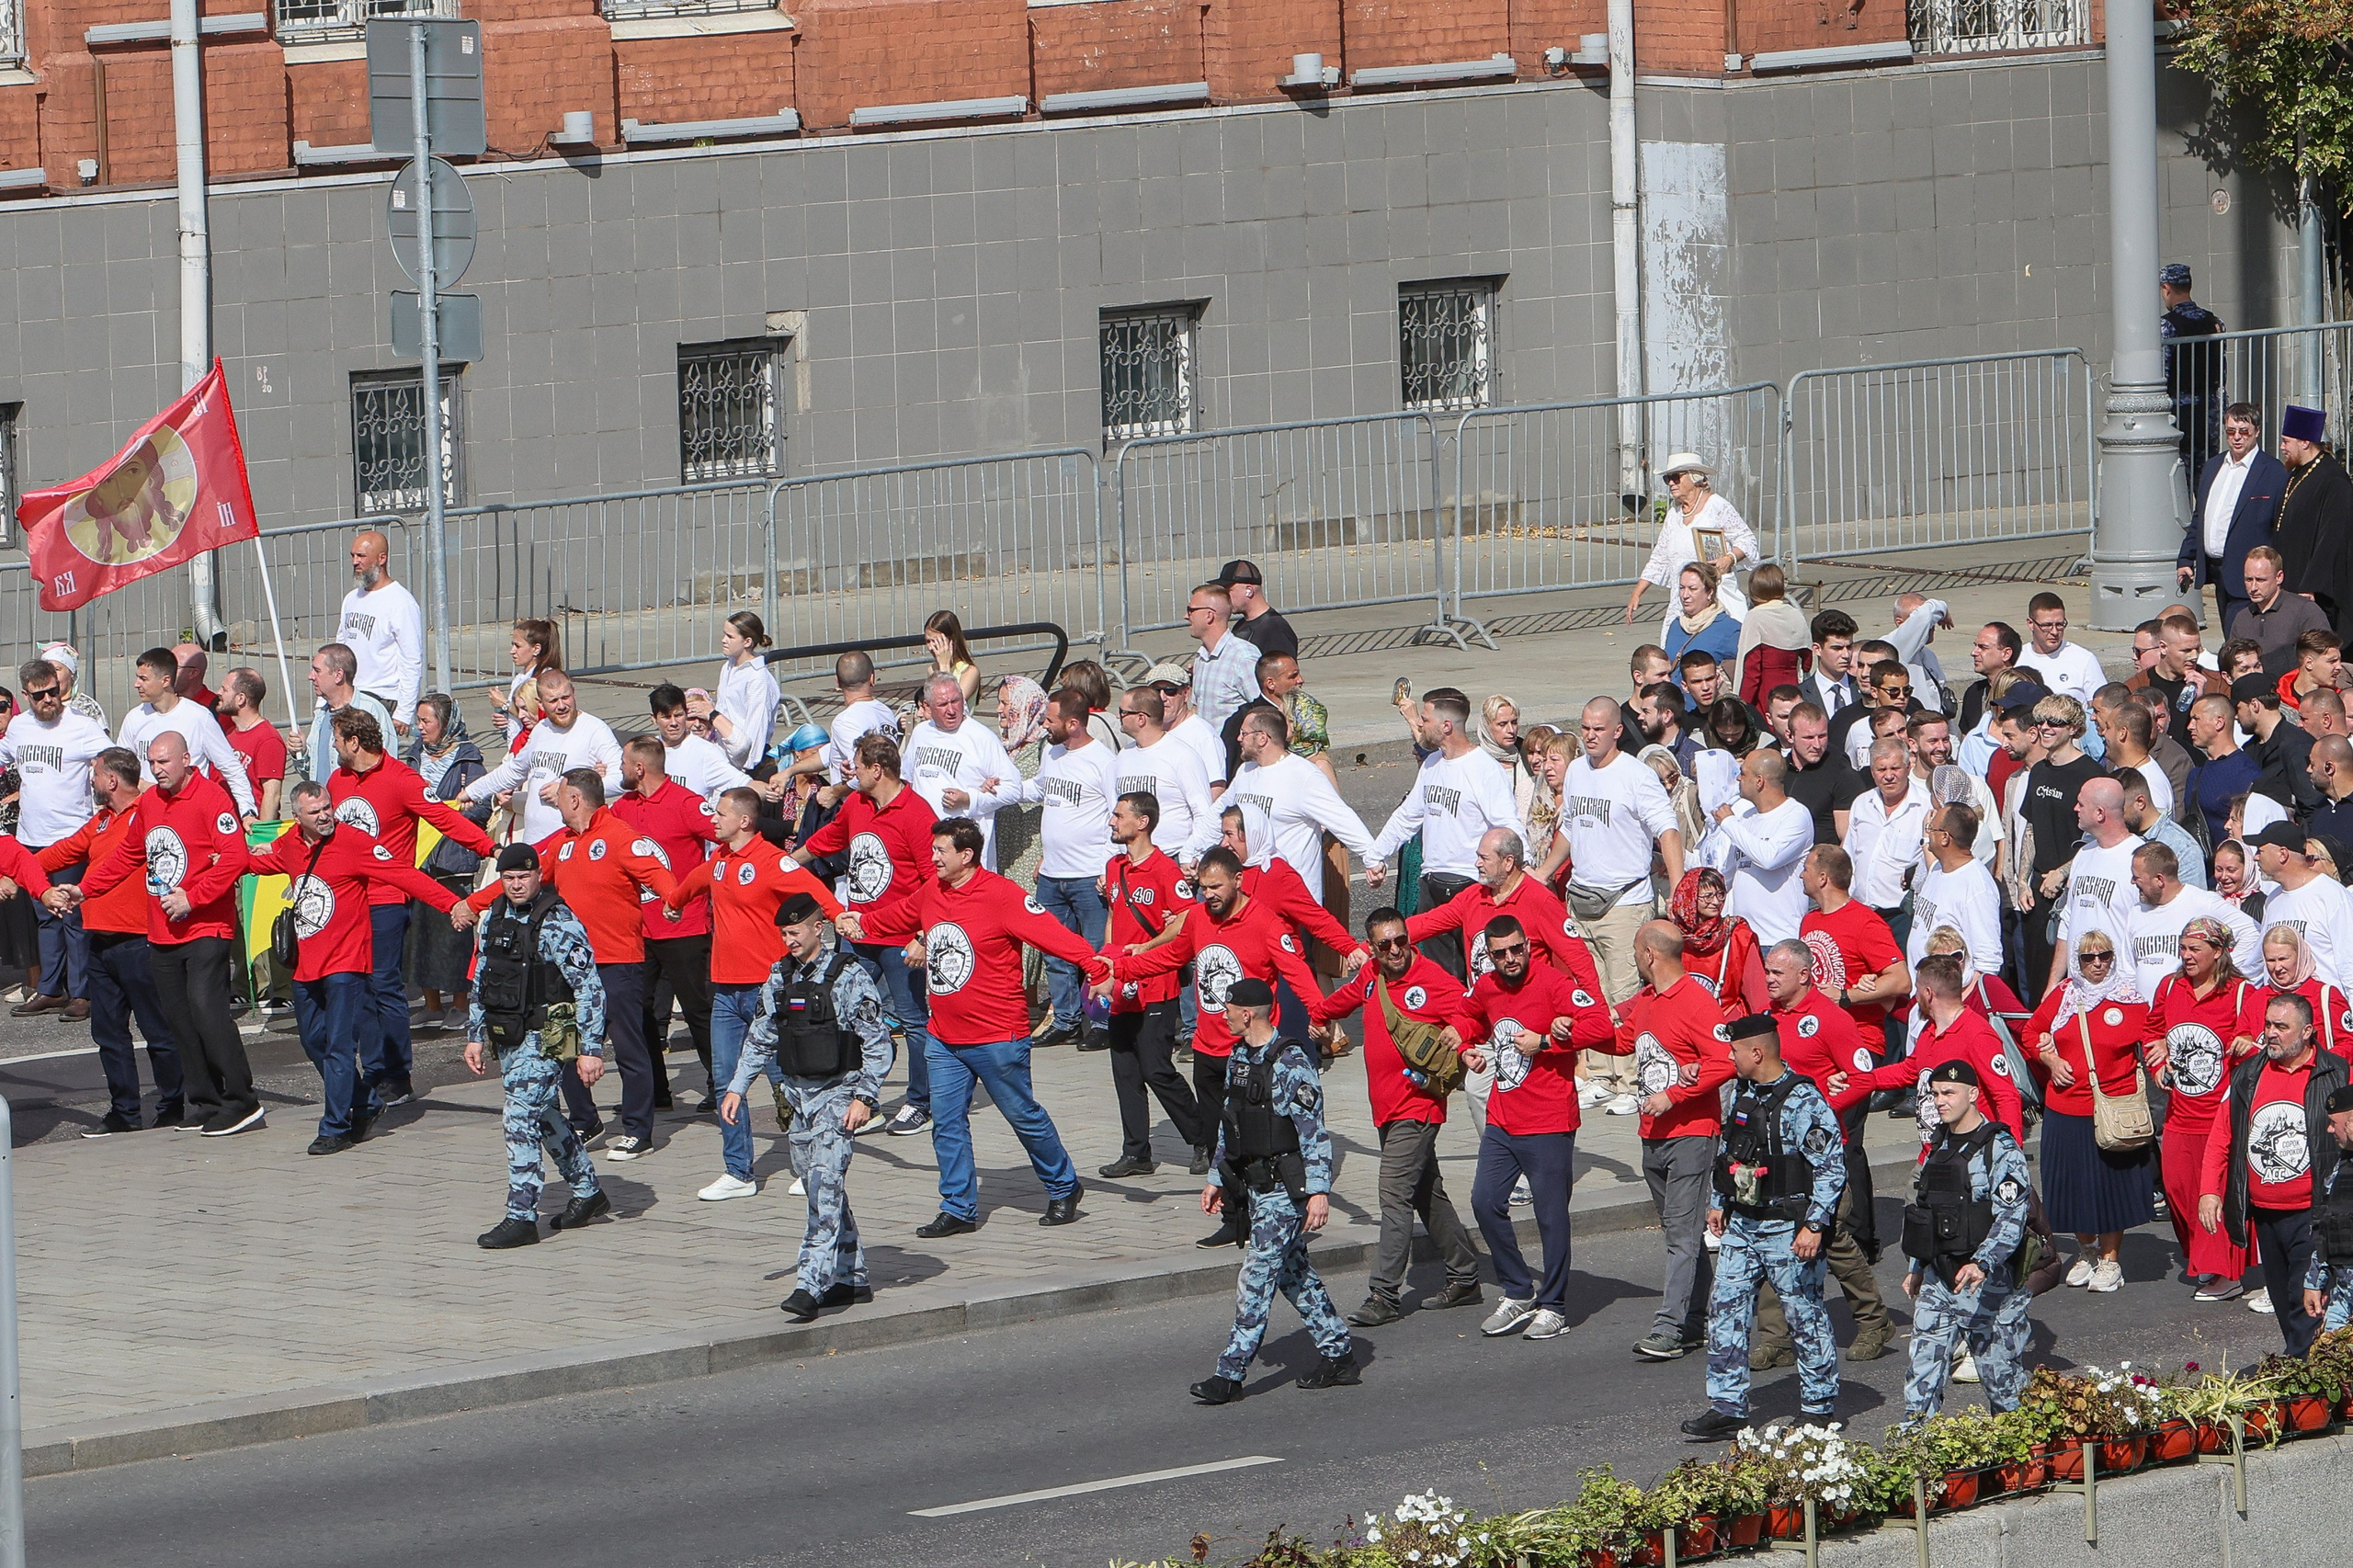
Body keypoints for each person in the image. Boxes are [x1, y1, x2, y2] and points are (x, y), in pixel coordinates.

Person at [851, 818, 1105, 1234]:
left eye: (940, 852)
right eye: (933, 850)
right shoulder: (932, 891)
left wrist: (1097, 966)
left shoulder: (1003, 896)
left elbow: (1054, 937)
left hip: (997, 1036)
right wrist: (856, 921)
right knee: (948, 1124)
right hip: (944, 1036)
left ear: (966, 855)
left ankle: (1063, 1186)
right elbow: (896, 916)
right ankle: (958, 1207)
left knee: (1022, 1115)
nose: (932, 857)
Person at [463, 769, 676, 1158]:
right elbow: (521, 878)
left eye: (559, 796)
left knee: (628, 1046)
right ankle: (585, 1119)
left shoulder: (619, 836)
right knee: (563, 1041)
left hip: (617, 961)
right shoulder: (562, 844)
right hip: (569, 965)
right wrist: (472, 905)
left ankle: (638, 1129)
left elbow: (657, 874)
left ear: (576, 799)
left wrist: (672, 901)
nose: (553, 802)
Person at [252, 779, 460, 1153]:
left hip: (347, 962)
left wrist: (452, 905)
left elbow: (404, 874)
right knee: (313, 1041)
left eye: (327, 807)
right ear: (296, 818)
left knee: (339, 1047)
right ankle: (363, 1101)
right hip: (307, 965)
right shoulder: (291, 845)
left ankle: (335, 1125)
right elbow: (264, 862)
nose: (325, 816)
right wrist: (224, 855)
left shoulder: (353, 842)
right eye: (314, 812)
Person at [74, 732, 260, 1135]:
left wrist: (193, 898)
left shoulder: (211, 798)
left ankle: (242, 1101)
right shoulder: (151, 802)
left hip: (206, 925)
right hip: (162, 931)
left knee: (207, 1011)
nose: (157, 770)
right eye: (153, 763)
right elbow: (128, 854)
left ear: (186, 759)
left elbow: (235, 858)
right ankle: (206, 1101)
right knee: (179, 1020)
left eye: (165, 762)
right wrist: (85, 888)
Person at [722, 892, 896, 1320]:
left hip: (839, 1096)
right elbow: (762, 1034)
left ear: (819, 927)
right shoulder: (781, 975)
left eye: (795, 932)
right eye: (783, 933)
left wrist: (864, 1098)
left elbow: (878, 1043)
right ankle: (851, 1277)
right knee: (825, 1187)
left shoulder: (849, 975)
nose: (789, 941)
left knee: (822, 1187)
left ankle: (810, 1284)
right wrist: (737, 1087)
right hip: (799, 1100)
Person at [1310, 907, 1483, 1325]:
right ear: (1372, 948)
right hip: (1385, 1108)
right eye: (1385, 944)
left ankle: (1384, 1294)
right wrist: (1317, 1018)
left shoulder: (1432, 978)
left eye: (1401, 940)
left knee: (1393, 1193)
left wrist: (1461, 1037)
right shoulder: (1371, 976)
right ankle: (1465, 1275)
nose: (1395, 950)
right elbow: (1341, 1000)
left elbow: (1473, 1009)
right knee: (1426, 1192)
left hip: (1417, 1105)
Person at [666, 788, 844, 1197]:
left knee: (786, 1079)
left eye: (721, 813)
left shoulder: (770, 861)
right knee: (727, 1081)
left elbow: (814, 893)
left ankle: (810, 1163)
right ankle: (738, 1172)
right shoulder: (720, 861)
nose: (712, 819)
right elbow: (694, 882)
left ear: (744, 821)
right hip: (726, 992)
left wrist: (840, 916)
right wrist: (672, 901)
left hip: (769, 991)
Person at [1677, 1013, 1847, 1439]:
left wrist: (1814, 1226)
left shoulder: (1804, 1102)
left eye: (1734, 1050)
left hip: (1787, 1230)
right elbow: (1732, 1152)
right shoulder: (1743, 1093)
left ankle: (1819, 1405)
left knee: (1803, 1314)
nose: (1729, 1057)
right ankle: (1728, 1405)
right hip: (1743, 1225)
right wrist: (1720, 1201)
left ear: (1757, 1052)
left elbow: (1830, 1169)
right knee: (1725, 1312)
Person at [1188, 978, 1356, 1403]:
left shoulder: (1291, 1062)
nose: (1221, 1014)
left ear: (1249, 1013)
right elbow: (1231, 1125)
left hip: (1286, 1191)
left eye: (1228, 1008)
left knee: (1256, 1276)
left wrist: (1319, 1192)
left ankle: (1230, 1374)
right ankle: (1338, 1353)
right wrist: (1216, 1177)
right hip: (1258, 1186)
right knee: (1293, 1272)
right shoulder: (1240, 1057)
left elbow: (1313, 1132)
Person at [1449, 915, 1611, 1343]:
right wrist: (1466, 1047)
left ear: (1527, 946)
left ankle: (1554, 1305)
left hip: (1549, 1120)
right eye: (1499, 953)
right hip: (1503, 1118)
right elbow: (1467, 1016)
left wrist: (1547, 1042)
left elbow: (1599, 1024)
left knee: (1550, 1217)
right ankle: (1519, 1290)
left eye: (1516, 949)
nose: (1509, 959)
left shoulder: (1554, 983)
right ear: (1489, 955)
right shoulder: (1487, 986)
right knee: (1484, 1202)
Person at [325, 706, 498, 1104]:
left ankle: (397, 1074)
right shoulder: (337, 780)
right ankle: (373, 1067)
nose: (333, 745)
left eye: (337, 738)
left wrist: (489, 847)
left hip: (386, 898)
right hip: (346, 899)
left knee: (383, 984)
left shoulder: (402, 779)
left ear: (354, 741)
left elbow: (445, 819)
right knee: (357, 988)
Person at [1747, 940, 1890, 1369]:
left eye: (1777, 972)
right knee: (1772, 1237)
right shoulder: (1767, 1020)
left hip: (1820, 1154)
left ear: (1805, 975)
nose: (1769, 979)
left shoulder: (1832, 1019)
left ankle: (1873, 1321)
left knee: (1830, 1236)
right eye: (1767, 972)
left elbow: (1865, 1079)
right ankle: (1778, 1337)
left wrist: (1819, 1110)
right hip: (1774, 1157)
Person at [463, 844, 613, 1249]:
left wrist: (591, 1048)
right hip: (508, 1037)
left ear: (538, 876)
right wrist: (475, 1036)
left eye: (523, 877)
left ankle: (522, 1215)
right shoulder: (493, 917)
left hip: (546, 1038)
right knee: (543, 1115)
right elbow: (481, 982)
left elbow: (589, 988)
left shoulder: (558, 921)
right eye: (508, 878)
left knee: (518, 1118)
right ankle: (587, 1191)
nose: (515, 885)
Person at [790, 733, 938, 1128]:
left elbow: (932, 882)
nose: (849, 771)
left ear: (877, 769)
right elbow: (828, 840)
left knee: (912, 1020)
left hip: (900, 938)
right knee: (847, 1013)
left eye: (856, 764)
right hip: (858, 933)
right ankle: (864, 1097)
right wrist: (786, 864)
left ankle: (921, 1101)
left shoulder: (917, 814)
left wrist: (923, 936)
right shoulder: (856, 803)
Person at [34, 748, 184, 1133]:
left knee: (157, 1030)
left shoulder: (148, 813)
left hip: (138, 940)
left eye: (95, 775)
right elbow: (62, 851)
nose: (92, 782)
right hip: (98, 944)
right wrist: (18, 870)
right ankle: (124, 1111)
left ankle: (175, 1103)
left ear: (112, 780)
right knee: (109, 1033)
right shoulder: (100, 822)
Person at [1609, 920, 1734, 1360]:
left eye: (1636, 952)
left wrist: (1675, 1094)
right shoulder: (1647, 1000)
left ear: (1649, 955)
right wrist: (1560, 1034)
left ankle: (1669, 1328)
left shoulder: (1697, 1002)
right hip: (1653, 1136)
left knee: (1682, 1234)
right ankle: (1697, 1320)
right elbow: (1624, 1041)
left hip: (1691, 1136)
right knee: (1681, 1234)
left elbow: (1725, 1061)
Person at [2200, 991, 2350, 1354]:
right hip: (2265, 1214)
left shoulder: (2337, 1072)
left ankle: (2305, 1390)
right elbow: (2223, 1133)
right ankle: (2309, 1379)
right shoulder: (2248, 1075)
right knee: (2285, 1305)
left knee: (2306, 1306)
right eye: (2268, 1024)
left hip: (2313, 1213)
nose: (2270, 1033)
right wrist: (2209, 1189)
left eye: (2282, 1027)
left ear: (2307, 1032)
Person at [1561, 697, 1687, 1109]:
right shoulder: (1577, 771)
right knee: (1590, 992)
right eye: (1584, 728)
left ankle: (1632, 1081)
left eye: (1598, 729)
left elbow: (1667, 831)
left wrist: (1680, 884)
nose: (1590, 736)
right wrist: (1544, 872)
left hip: (1625, 901)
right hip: (1581, 898)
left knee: (1625, 992)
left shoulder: (1635, 776)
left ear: (1617, 730)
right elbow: (1569, 829)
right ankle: (1599, 1074)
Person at [1898, 1060, 2036, 1421]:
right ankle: (1916, 1460)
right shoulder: (1938, 1145)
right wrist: (1917, 1266)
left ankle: (2021, 1463)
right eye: (1936, 1094)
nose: (1940, 1101)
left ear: (1973, 1094)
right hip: (1939, 1279)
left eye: (1949, 1093)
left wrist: (1983, 1263)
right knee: (1921, 1381)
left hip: (1987, 1285)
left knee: (2004, 1389)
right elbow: (1926, 1213)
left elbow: (2012, 1218)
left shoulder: (2000, 1148)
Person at [2022, 931, 2152, 1292]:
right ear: (2076, 962)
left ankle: (2111, 1261)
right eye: (2087, 958)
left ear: (2114, 957)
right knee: (2073, 1187)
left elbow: (2156, 1037)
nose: (2096, 964)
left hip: (2112, 1110)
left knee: (2110, 1187)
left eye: (2104, 956)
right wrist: (2049, 1058)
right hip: (2065, 1107)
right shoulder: (2064, 995)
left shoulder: (2131, 999)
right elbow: (2030, 1030)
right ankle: (2087, 1250)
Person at [2141, 915, 2262, 1300]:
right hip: (2180, 1112)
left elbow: (2258, 1041)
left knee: (2215, 1194)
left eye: (2195, 949)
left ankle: (2226, 1273)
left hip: (2221, 1115)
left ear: (2218, 952)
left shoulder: (2242, 992)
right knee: (2177, 1189)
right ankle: (2205, 1260)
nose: (2186, 956)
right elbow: (2152, 1031)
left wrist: (2247, 1041)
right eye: (2183, 948)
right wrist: (2158, 1061)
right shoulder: (2171, 987)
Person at [1369, 688, 1527, 979]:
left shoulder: (1483, 769)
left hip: (1471, 885)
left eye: (1426, 719)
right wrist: (1376, 856)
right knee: (1442, 977)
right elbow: (1407, 817)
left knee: (1480, 972)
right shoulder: (1432, 765)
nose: (1421, 725)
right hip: (1432, 884)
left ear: (1446, 726)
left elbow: (1509, 827)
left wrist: (1516, 877)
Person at [1097, 791, 1209, 1178]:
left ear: (1142, 822)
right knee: (1125, 1069)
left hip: (1157, 985)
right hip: (1120, 984)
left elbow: (1185, 920)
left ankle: (1203, 1139)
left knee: (1157, 1069)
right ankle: (1136, 1153)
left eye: (1118, 816)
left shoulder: (1165, 870)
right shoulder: (1115, 868)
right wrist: (1108, 956)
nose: (1112, 822)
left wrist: (1147, 946)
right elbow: (1113, 913)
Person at [1006, 687, 1121, 1049]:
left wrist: (1107, 866)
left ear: (1073, 724)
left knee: (1094, 952)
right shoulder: (1053, 753)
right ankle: (1067, 1019)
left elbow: (1114, 815)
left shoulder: (1103, 761)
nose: (1043, 725)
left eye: (1050, 720)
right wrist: (998, 788)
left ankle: (1100, 1022)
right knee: (1054, 952)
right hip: (1053, 874)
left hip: (1089, 874)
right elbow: (1039, 790)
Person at [613, 737, 720, 1114]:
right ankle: (654, 1091)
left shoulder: (686, 803)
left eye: (624, 762)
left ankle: (719, 1084)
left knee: (698, 1010)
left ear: (640, 768)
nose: (620, 769)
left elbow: (725, 838)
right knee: (639, 1012)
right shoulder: (622, 808)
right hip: (638, 930)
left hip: (685, 928)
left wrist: (706, 884)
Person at [0, 658, 108, 1021]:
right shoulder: (18, 728)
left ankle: (82, 993)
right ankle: (50, 988)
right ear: (26, 695)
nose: (48, 700)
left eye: (53, 691)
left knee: (72, 914)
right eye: (38, 695)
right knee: (44, 916)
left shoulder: (80, 726)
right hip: (32, 837)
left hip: (71, 836)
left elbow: (111, 760)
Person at [1225, 707, 1379, 905]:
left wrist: (1372, 857)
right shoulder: (1245, 771)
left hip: (1293, 902)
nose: (1238, 738)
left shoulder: (1303, 776)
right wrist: (1191, 853)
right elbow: (1218, 814)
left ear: (1262, 738)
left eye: (1244, 733)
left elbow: (1341, 817)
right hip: (1251, 898)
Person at [404, 693, 490, 1031]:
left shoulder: (469, 761)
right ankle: (431, 1003)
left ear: (446, 722)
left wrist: (463, 811)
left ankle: (459, 1002)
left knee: (454, 935)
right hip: (419, 861)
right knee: (421, 933)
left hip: (453, 860)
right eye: (419, 721)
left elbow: (484, 805)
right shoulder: (412, 759)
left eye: (427, 721)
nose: (419, 728)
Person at [462, 669, 623, 848]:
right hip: (534, 843)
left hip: (572, 845)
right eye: (553, 700)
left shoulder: (595, 730)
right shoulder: (541, 729)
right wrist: (471, 792)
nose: (561, 706)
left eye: (566, 697)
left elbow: (622, 778)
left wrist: (568, 791)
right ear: (540, 703)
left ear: (574, 692)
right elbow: (514, 770)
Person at [113, 647, 258, 817]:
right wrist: (140, 784)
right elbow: (119, 768)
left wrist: (247, 812)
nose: (136, 684)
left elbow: (231, 768)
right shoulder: (135, 718)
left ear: (165, 680)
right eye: (138, 677)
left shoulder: (198, 717)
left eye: (143, 678)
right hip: (147, 812)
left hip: (190, 813)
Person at [1627, 452, 1760, 631]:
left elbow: (1747, 539)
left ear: (1695, 478)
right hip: (1681, 601)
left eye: (1676, 477)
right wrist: (1637, 593)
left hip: (1712, 600)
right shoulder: (1674, 515)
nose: (1671, 483)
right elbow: (1660, 557)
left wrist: (1729, 558)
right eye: (1667, 479)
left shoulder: (1717, 506)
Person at [1799, 845, 1910, 1055]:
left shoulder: (1866, 923)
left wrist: (1844, 995)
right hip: (1815, 1035)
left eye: (1806, 869)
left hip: (1859, 1040)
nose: (1801, 875)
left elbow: (1901, 980)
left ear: (1823, 878)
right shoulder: (1809, 920)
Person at [1704, 747, 1813, 945]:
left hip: (1779, 939)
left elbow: (1769, 858)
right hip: (1742, 938)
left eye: (1743, 773)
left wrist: (1729, 823)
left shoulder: (1796, 815)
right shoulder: (1745, 818)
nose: (1738, 779)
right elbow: (1728, 874)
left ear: (1759, 781)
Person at [1110, 686, 1215, 867]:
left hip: (1171, 859)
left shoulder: (1181, 755)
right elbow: (1114, 811)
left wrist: (1189, 857)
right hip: (1130, 860)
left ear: (1141, 718)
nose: (1119, 716)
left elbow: (1203, 811)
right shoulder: (1124, 755)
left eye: (1123, 712)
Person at [2275, 405, 2353, 634]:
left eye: (2286, 441)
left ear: (2305, 442)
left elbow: (2332, 539)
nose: (2282, 447)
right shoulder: (2295, 474)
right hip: (2291, 584)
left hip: (2316, 594)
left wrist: (2311, 586)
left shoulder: (2334, 481)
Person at [337, 529, 425, 729]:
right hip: (349, 696)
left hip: (382, 698)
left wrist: (404, 711)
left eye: (361, 556)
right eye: (352, 555)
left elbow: (411, 660)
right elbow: (339, 650)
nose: (355, 561)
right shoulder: (351, 599)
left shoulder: (401, 603)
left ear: (381, 558)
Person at [2256, 823, 2353, 994]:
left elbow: (2349, 959)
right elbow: (2260, 963)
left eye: (2260, 851)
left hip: (2324, 1010)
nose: (2256, 857)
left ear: (2283, 854)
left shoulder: (2330, 894)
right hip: (2281, 1012)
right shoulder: (2273, 900)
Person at [1665, 868, 1769, 1018]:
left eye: (1720, 895)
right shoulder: (1673, 937)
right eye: (1708, 896)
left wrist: (1764, 1029)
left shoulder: (1739, 936)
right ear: (1690, 897)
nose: (1716, 902)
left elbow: (1758, 993)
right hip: (1683, 1024)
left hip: (1727, 1024)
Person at [686, 611, 781, 773]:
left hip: (747, 766)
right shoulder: (728, 666)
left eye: (730, 637)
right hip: (724, 755)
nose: (724, 640)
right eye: (724, 634)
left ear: (747, 642)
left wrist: (745, 770)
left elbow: (756, 731)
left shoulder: (758, 678)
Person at [290, 645, 391, 796]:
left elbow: (387, 771)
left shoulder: (371, 711)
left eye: (317, 671)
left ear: (338, 675)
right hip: (326, 812)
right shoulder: (321, 715)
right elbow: (312, 774)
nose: (310, 676)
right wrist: (301, 752)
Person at [2233, 546, 2332, 676]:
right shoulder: (2242, 619)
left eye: (2261, 580)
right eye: (2248, 579)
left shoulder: (2305, 611)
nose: (2253, 588)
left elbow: (2325, 656)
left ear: (2279, 577)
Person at [1187, 583, 1263, 733]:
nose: (1186, 616)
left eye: (1191, 611)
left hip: (1233, 752)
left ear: (1209, 615)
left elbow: (1262, 713)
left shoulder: (1243, 657)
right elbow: (1197, 710)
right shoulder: (1202, 656)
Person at [1734, 563, 1808, 709]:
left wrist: (1743, 706)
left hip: (1766, 692)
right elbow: (1807, 661)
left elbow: (1751, 671)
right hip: (1794, 688)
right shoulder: (1795, 614)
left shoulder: (1755, 617)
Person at [220, 668, 288, 824]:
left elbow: (272, 793)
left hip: (251, 828)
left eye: (224, 689)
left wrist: (261, 836)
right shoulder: (228, 732)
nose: (219, 693)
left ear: (240, 699)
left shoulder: (268, 740)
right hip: (228, 825)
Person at [2015, 594, 2106, 705]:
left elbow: (2100, 708)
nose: (2054, 632)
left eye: (2059, 624)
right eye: (2047, 625)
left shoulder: (2084, 659)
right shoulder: (2017, 659)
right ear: (2030, 624)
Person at [1662, 562, 1743, 681]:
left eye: (1692, 589)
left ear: (1710, 592)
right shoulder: (1676, 625)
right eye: (1682, 588)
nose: (1685, 595)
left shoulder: (1729, 628)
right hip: (1672, 698)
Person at [488, 619, 562, 746]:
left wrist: (504, 705)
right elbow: (521, 716)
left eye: (518, 646)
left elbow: (539, 717)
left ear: (536, 649)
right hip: (519, 745)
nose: (512, 650)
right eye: (512, 645)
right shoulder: (521, 677)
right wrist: (506, 720)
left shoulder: (544, 679)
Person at [1218, 559, 1298, 659]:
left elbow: (1284, 672)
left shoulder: (1275, 629)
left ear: (1249, 591)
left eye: (1229, 591)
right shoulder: (1241, 625)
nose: (1225, 597)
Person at [1957, 623, 2023, 736]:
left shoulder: (2025, 693)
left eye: (1983, 647)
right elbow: (1966, 739)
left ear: (2006, 654)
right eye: (1976, 646)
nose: (1973, 653)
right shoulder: (1974, 692)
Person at [924, 608, 983, 707]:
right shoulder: (932, 669)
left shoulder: (970, 672)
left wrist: (944, 666)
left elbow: (952, 705)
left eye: (936, 641)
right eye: (928, 641)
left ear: (952, 640)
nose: (930, 647)